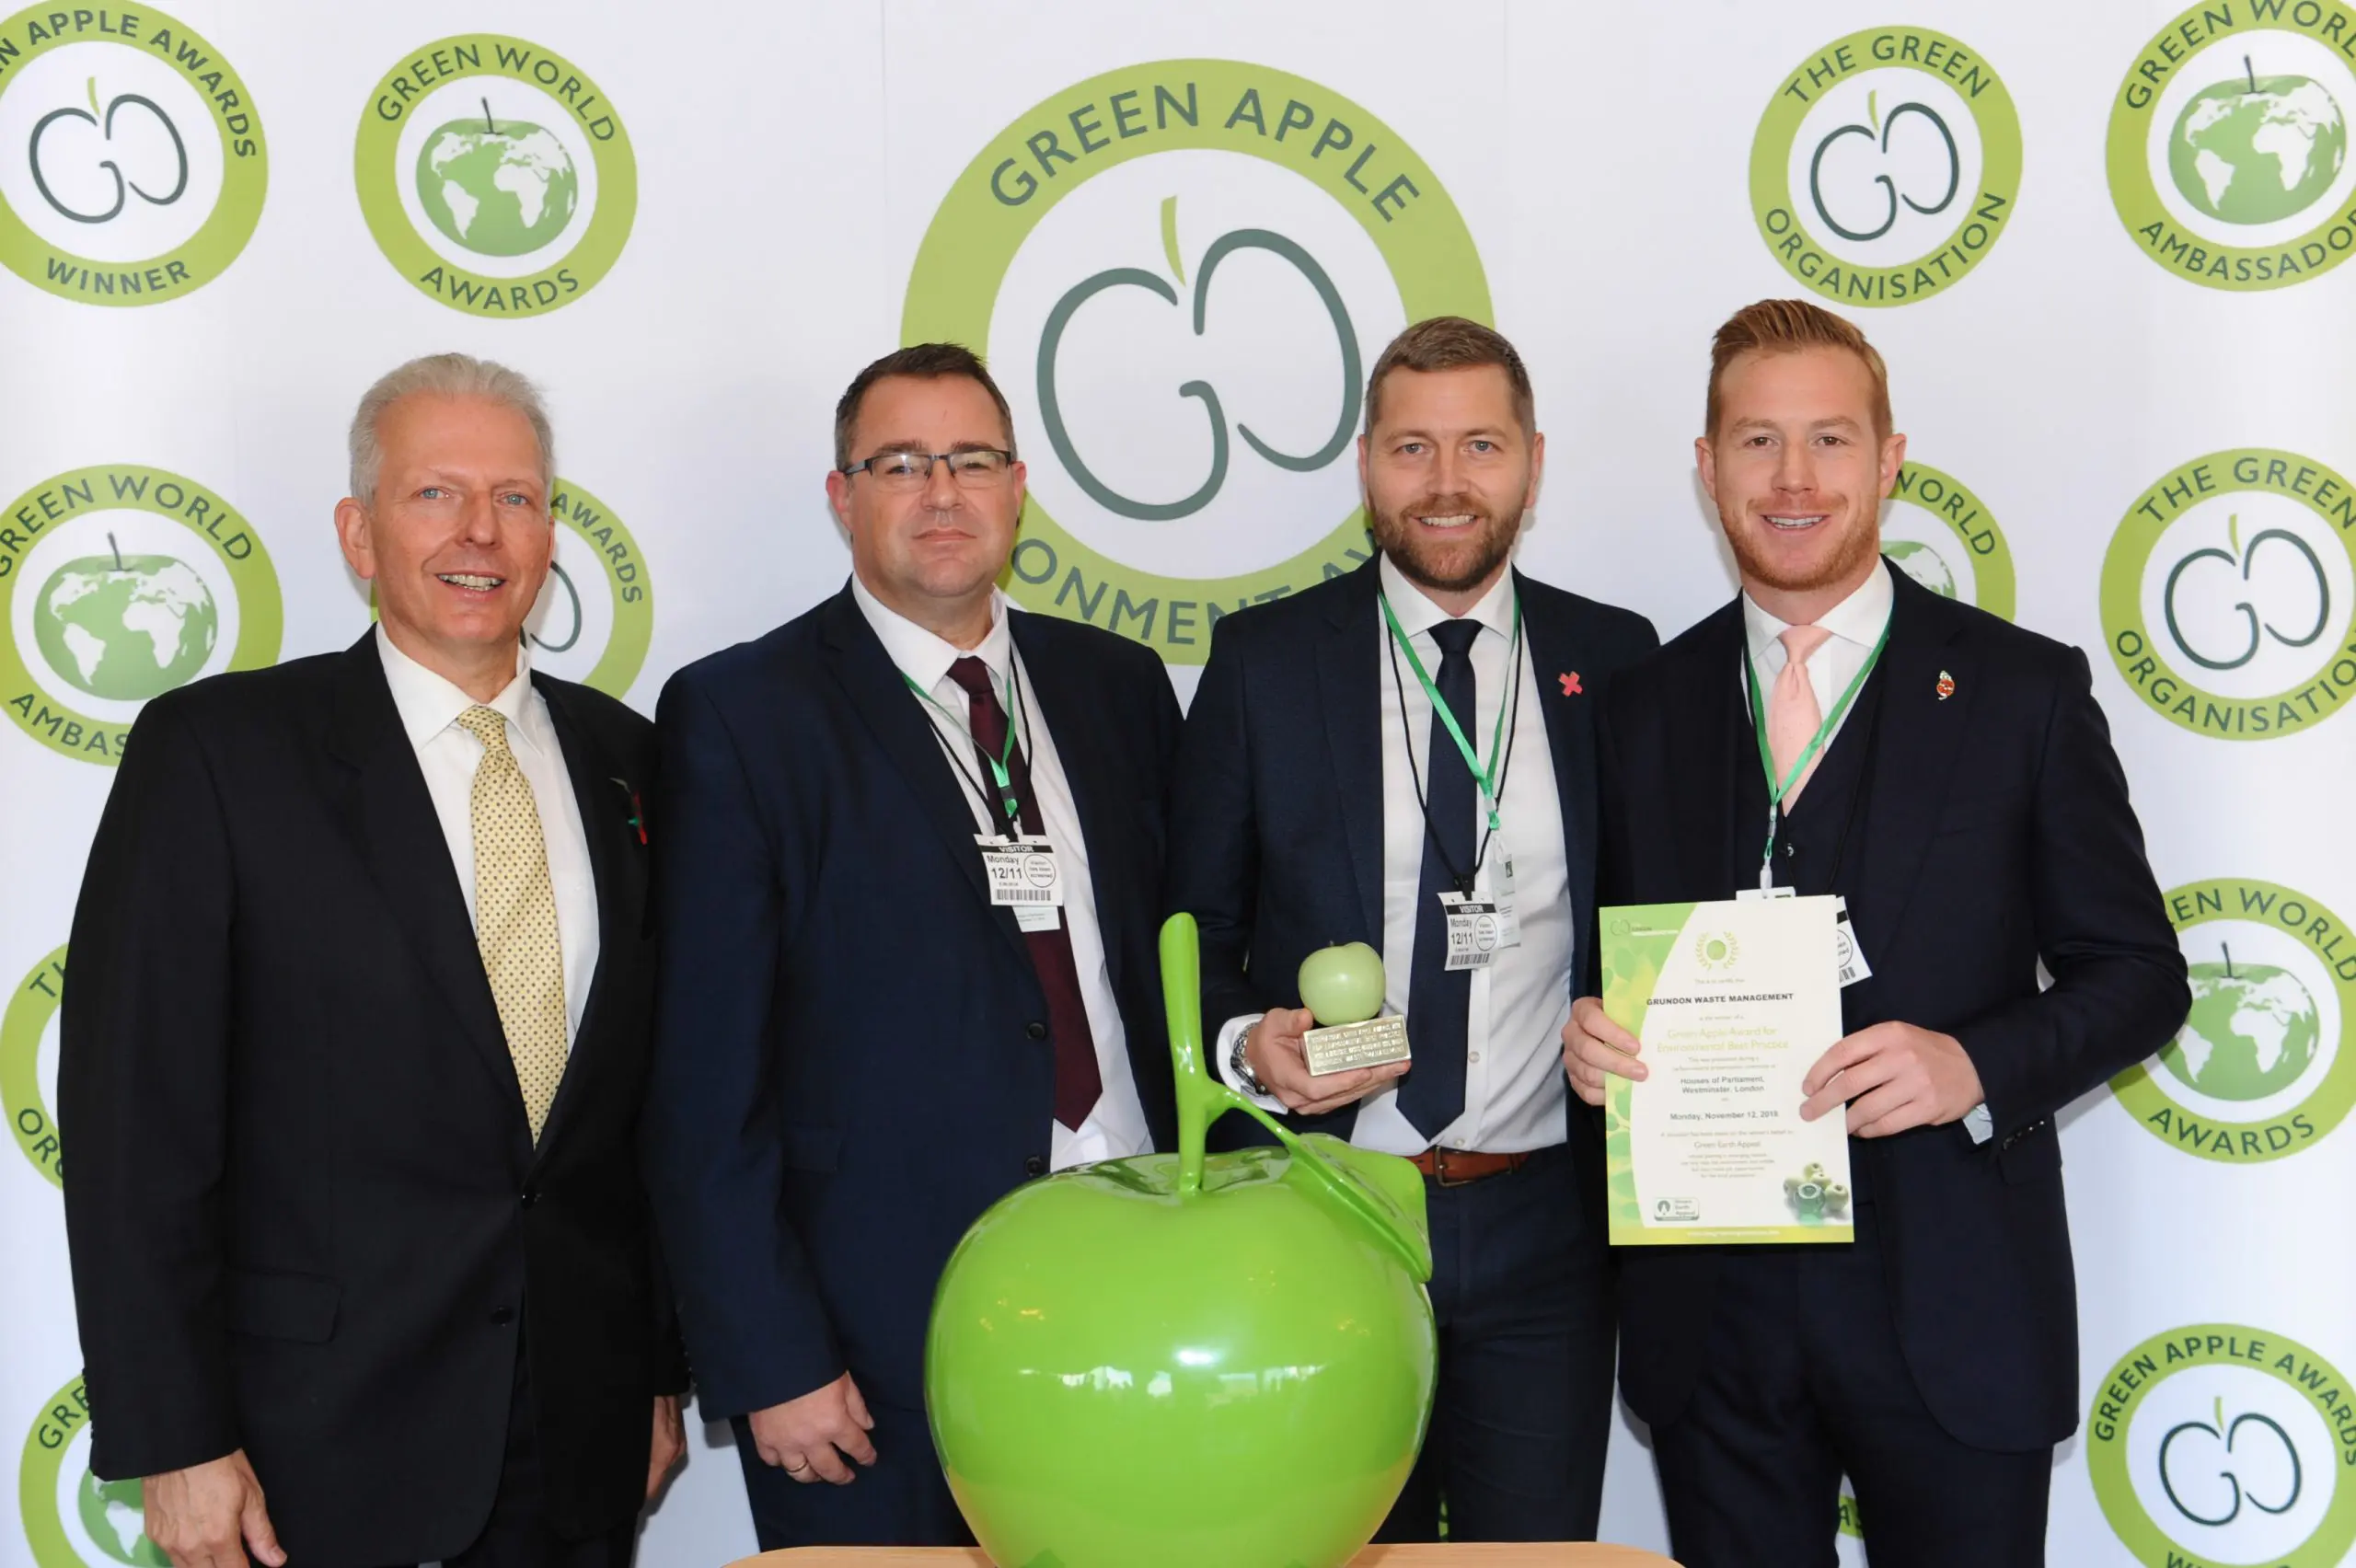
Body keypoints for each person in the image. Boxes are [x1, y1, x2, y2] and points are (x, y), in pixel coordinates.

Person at [1562, 299, 2190, 1567]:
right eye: (1757, 443)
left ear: (1891, 458)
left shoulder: (2021, 692)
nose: (1794, 481)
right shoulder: (1642, 706)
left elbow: (2140, 979)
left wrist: (1974, 1066)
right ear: (1706, 466)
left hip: (1954, 1308)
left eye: (1832, 441)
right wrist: (1590, 1040)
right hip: (1713, 1323)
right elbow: (1612, 965)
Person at [60, 353, 687, 1568]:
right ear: (358, 533)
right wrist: (176, 1439)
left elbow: (647, 1108)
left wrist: (657, 1368)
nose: (480, 532)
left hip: (580, 1430)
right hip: (313, 1448)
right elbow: (137, 1123)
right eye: (434, 494)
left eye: (514, 497)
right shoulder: (220, 757)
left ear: (552, 529)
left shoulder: (634, 763)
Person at [643, 342, 1183, 1548]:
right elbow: (700, 1082)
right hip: (876, 1347)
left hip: (1144, 1296)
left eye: (971, 460)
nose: (943, 493)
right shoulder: (745, 716)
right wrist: (770, 1355)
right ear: (843, 498)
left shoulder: (1119, 688)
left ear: (1020, 487)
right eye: (901, 463)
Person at [1165, 317, 1657, 1542]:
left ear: (1532, 464)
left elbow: (1655, 922)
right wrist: (1246, 1050)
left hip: (1549, 1220)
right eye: (1412, 448)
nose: (1447, 483)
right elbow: (1190, 929)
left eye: (1480, 446)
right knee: (1319, 1548)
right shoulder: (1264, 664)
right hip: (1326, 1208)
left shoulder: (1619, 659)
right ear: (1367, 467)